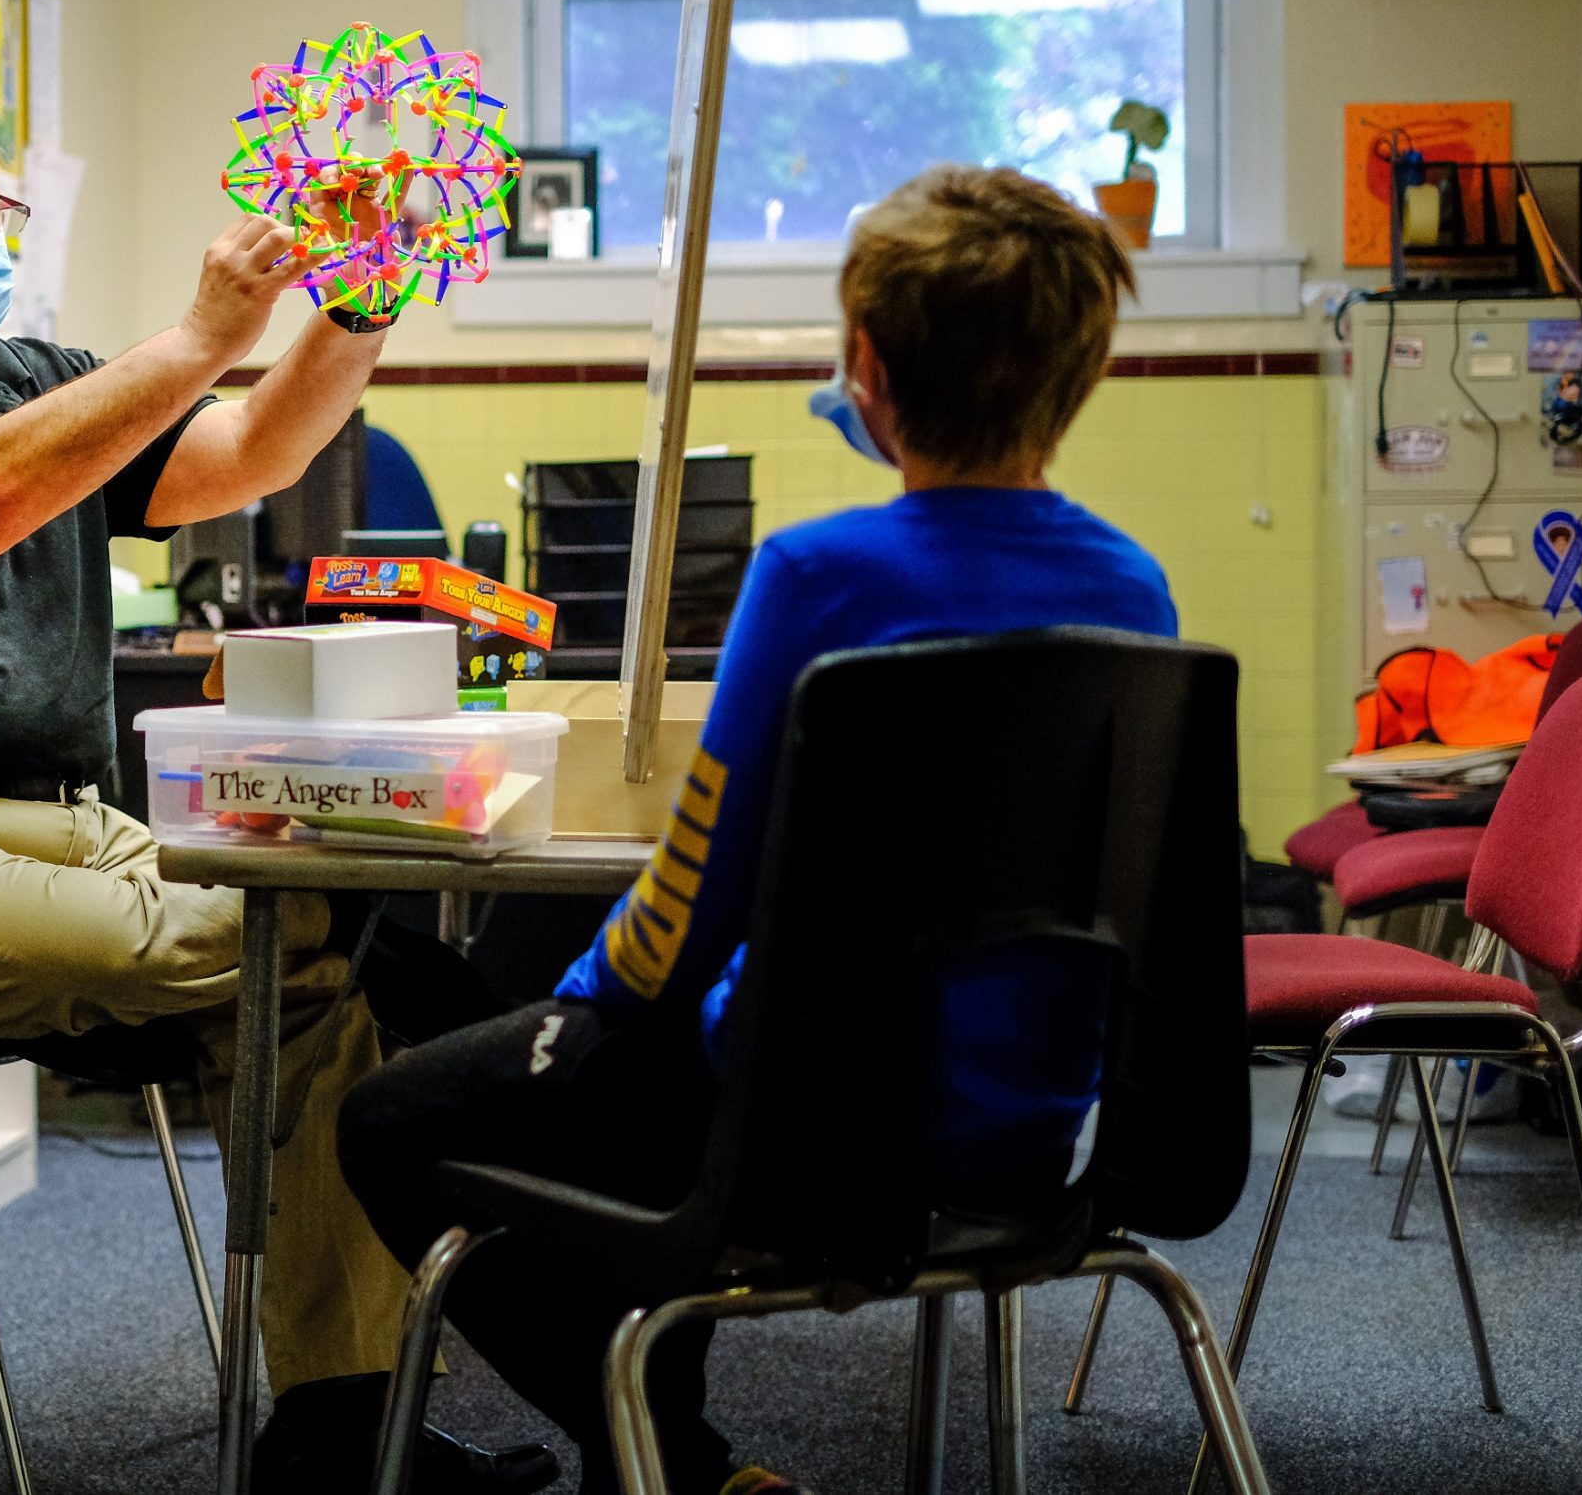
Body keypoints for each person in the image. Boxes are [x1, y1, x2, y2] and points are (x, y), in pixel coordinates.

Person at [0, 87, 549, 1495]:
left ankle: (343, 1426)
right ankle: (353, 1413)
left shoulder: (34, 380)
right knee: (271, 944)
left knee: (317, 964)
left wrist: (362, 293)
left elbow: (253, 453)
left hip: (59, 828)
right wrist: (202, 336)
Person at [338, 165, 1177, 1495]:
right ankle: (665, 1454)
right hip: (1035, 1133)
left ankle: (669, 1454)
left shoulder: (817, 574)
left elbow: (682, 917)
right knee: (590, 1065)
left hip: (792, 1138)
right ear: (1083, 372)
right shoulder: (1134, 584)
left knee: (394, 1114)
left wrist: (570, 1014)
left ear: (866, 365)